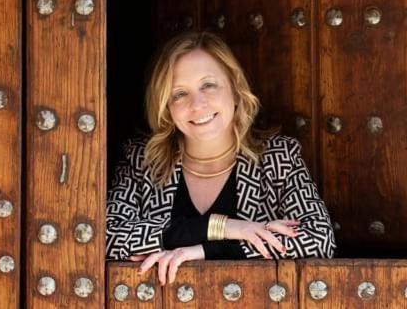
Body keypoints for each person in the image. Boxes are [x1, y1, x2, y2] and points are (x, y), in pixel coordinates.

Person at [106, 31, 335, 285]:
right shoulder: (143, 161)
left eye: (208, 85)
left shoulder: (277, 158)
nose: (197, 104)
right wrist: (224, 227)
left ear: (235, 90)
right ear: (166, 107)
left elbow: (319, 238)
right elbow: (105, 236)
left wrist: (203, 251)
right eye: (179, 94)